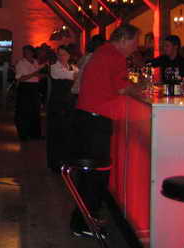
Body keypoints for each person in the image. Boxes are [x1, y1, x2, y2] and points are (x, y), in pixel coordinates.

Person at [70, 24, 140, 238]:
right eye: (134, 42)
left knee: (90, 174)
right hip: (95, 120)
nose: (136, 47)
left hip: (87, 117)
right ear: (124, 39)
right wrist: (142, 85)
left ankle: (84, 219)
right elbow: (123, 88)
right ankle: (85, 223)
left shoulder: (103, 52)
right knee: (97, 173)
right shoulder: (115, 56)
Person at [47, 45, 78, 172]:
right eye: (59, 54)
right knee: (57, 133)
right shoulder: (54, 68)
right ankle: (56, 163)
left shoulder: (73, 67)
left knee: (68, 133)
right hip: (57, 104)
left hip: (70, 104)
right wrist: (77, 75)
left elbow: (78, 78)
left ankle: (67, 162)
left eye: (64, 54)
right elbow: (71, 76)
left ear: (69, 55)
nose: (61, 57)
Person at [14, 45, 45, 141]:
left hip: (34, 87)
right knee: (24, 112)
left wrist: (41, 75)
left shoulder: (35, 62)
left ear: (32, 52)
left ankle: (35, 134)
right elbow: (20, 78)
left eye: (28, 52)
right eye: (24, 52)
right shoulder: (21, 63)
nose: (26, 54)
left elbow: (37, 75)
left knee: (35, 111)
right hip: (25, 88)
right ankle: (23, 135)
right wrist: (34, 74)